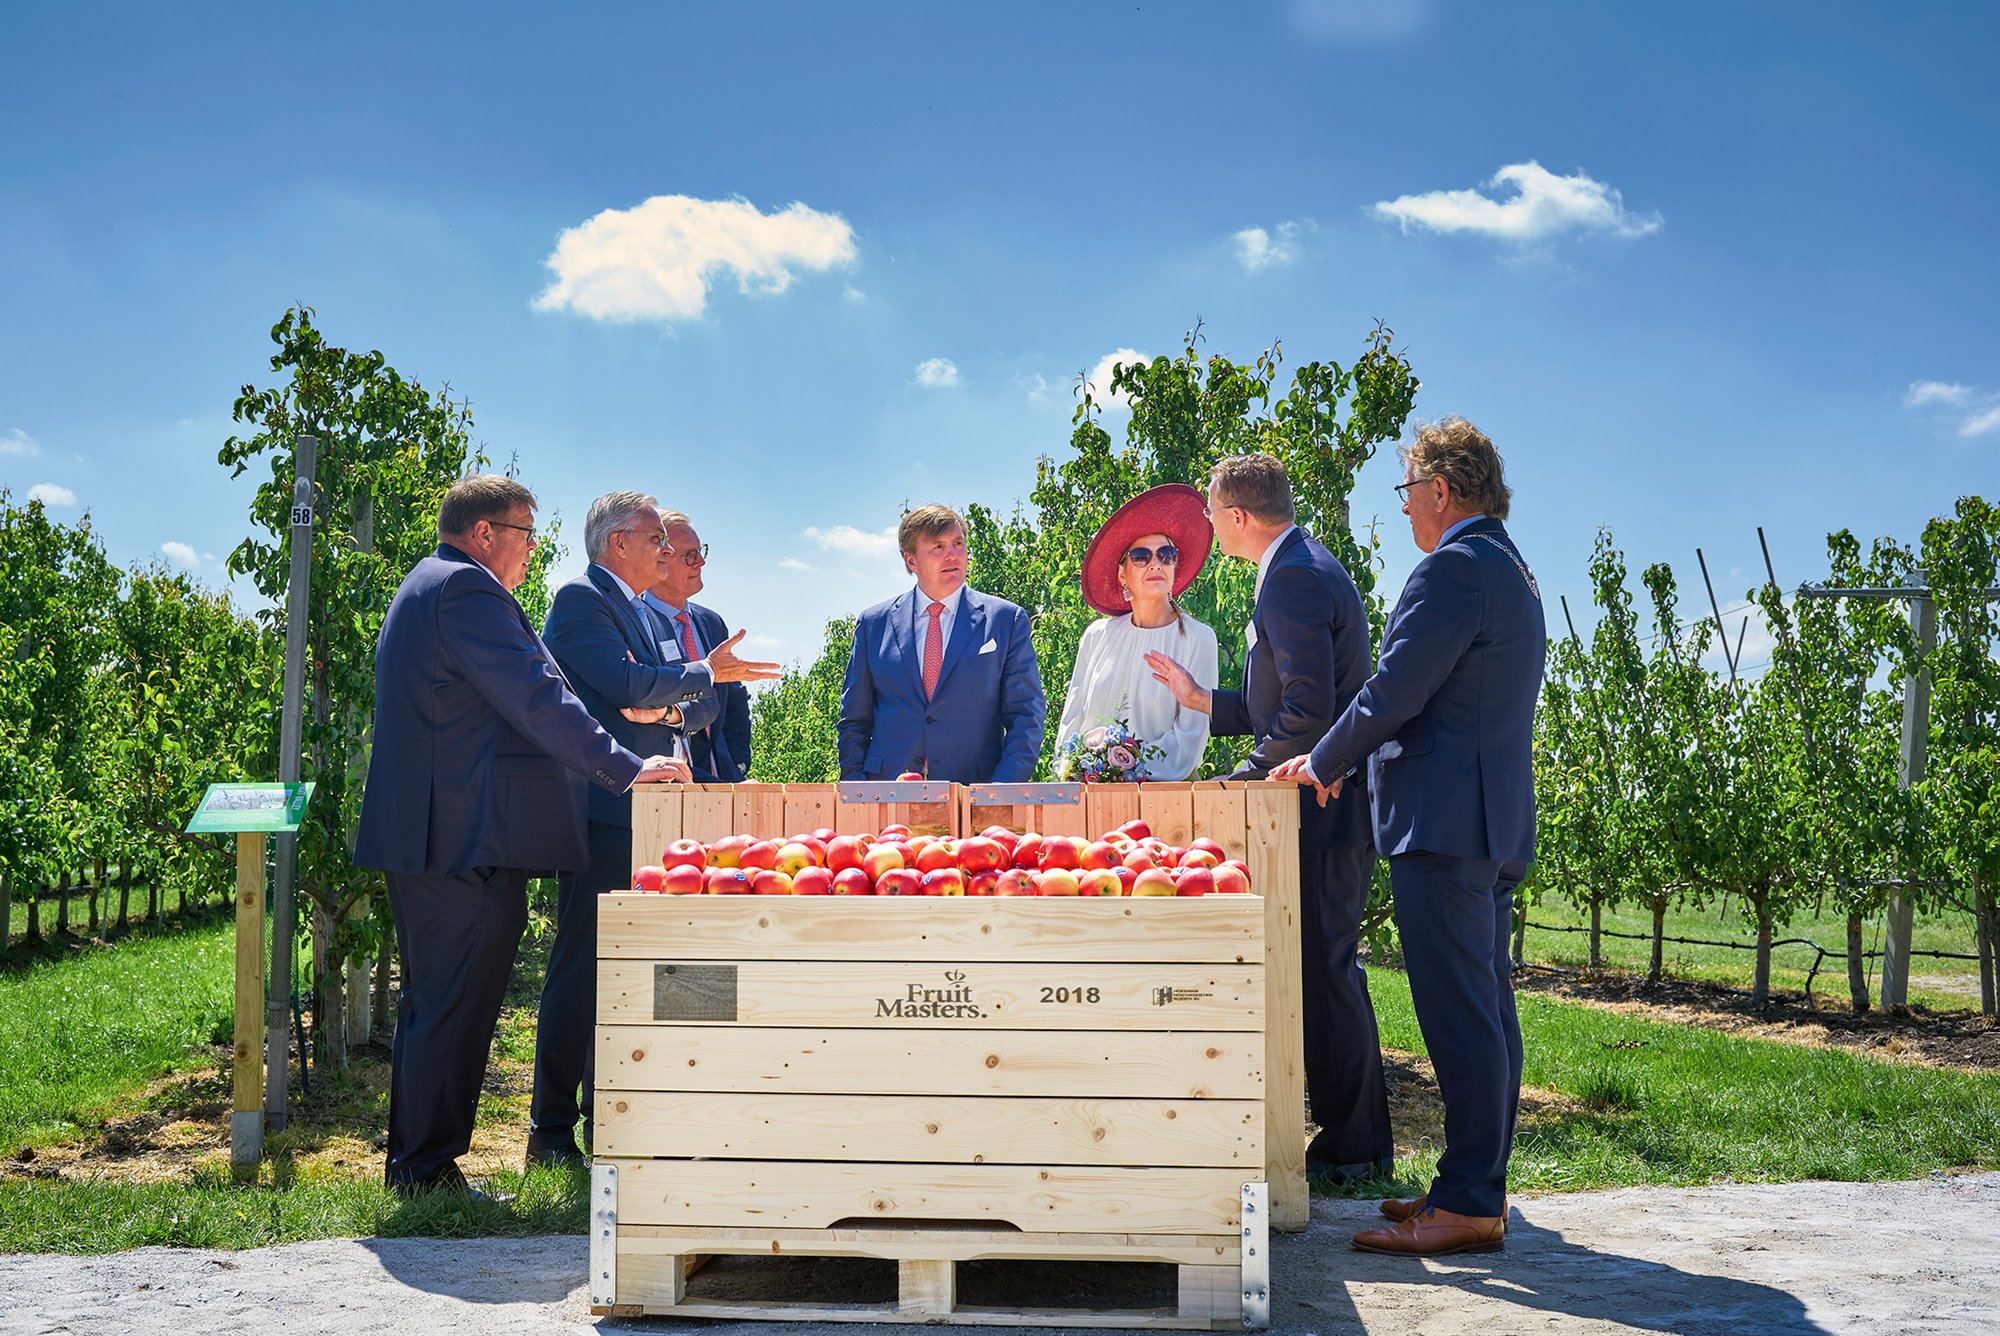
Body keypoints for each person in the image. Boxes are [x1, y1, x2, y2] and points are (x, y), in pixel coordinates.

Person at [354, 475, 689, 1198]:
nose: (534, 551)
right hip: (458, 836)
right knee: (451, 1003)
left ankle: (421, 1166)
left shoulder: (433, 585)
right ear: (484, 534)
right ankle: (423, 1171)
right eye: (526, 534)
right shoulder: (467, 592)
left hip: (442, 832)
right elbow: (540, 697)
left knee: (439, 1001)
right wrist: (626, 770)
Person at [1272, 417, 1545, 1258]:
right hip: (1487, 817)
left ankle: (1468, 1203)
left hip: (1444, 822)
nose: (1403, 512)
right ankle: (1475, 1182)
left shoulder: (1453, 569)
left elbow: (1395, 691)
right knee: (1487, 1005)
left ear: (1441, 490)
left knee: (1460, 1011)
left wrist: (1322, 759)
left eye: (1406, 492)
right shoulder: (1511, 569)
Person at [1146, 453, 1393, 1181]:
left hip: (1319, 806)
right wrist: (1203, 700)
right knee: (1322, 966)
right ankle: (1354, 1141)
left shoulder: (1291, 579)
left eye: (1211, 513)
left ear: (1239, 518)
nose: (1205, 526)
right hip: (1317, 799)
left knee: (1326, 966)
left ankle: (1355, 1148)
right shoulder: (1300, 567)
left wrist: (1244, 779)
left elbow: (1309, 712)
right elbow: (1279, 703)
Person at [528, 492, 779, 1168]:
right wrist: (671, 690)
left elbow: (690, 709)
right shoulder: (582, 602)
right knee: (583, 967)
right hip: (605, 813)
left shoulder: (638, 613)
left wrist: (660, 706)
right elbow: (632, 686)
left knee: (661, 973)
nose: (667, 553)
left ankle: (621, 1116)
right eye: (655, 542)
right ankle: (550, 1134)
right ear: (618, 544)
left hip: (663, 812)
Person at [839, 504, 1046, 783]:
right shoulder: (873, 624)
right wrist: (857, 788)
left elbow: (1026, 717)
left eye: (958, 543)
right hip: (887, 794)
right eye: (938, 547)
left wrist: (1001, 793)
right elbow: (854, 721)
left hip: (976, 796)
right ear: (911, 561)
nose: (953, 554)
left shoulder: (1006, 620)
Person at [1055, 483, 1218, 781]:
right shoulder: (1096, 635)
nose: (1156, 563)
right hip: (1088, 794)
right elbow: (1072, 721)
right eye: (1141, 556)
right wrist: (1073, 771)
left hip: (1171, 798)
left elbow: (1191, 737)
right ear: (1122, 573)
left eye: (1166, 555)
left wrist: (1122, 770)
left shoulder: (1199, 638)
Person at [642, 510, 753, 783]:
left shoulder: (711, 623)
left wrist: (736, 765)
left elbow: (735, 701)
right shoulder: (636, 623)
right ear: (660, 559)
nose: (701, 562)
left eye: (701, 551)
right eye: (690, 555)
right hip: (665, 786)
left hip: (722, 782)